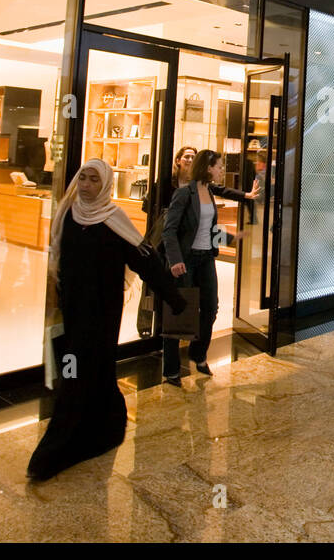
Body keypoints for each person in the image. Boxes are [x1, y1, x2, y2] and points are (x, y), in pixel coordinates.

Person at [27, 159, 185, 481]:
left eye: (92, 181)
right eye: (82, 178)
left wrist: (175, 300)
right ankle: (107, 423)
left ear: (106, 186)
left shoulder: (115, 221)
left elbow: (147, 261)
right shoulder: (67, 216)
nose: (85, 185)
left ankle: (56, 450)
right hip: (73, 313)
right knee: (80, 370)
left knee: (83, 372)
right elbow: (59, 261)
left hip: (102, 314)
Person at [160, 149, 259, 384]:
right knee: (181, 313)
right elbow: (169, 230)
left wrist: (232, 237)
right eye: (219, 166)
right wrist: (175, 260)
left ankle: (198, 353)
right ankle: (171, 369)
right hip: (185, 261)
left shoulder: (209, 191)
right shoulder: (185, 194)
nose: (222, 169)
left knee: (211, 308)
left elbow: (208, 231)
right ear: (207, 168)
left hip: (205, 259)